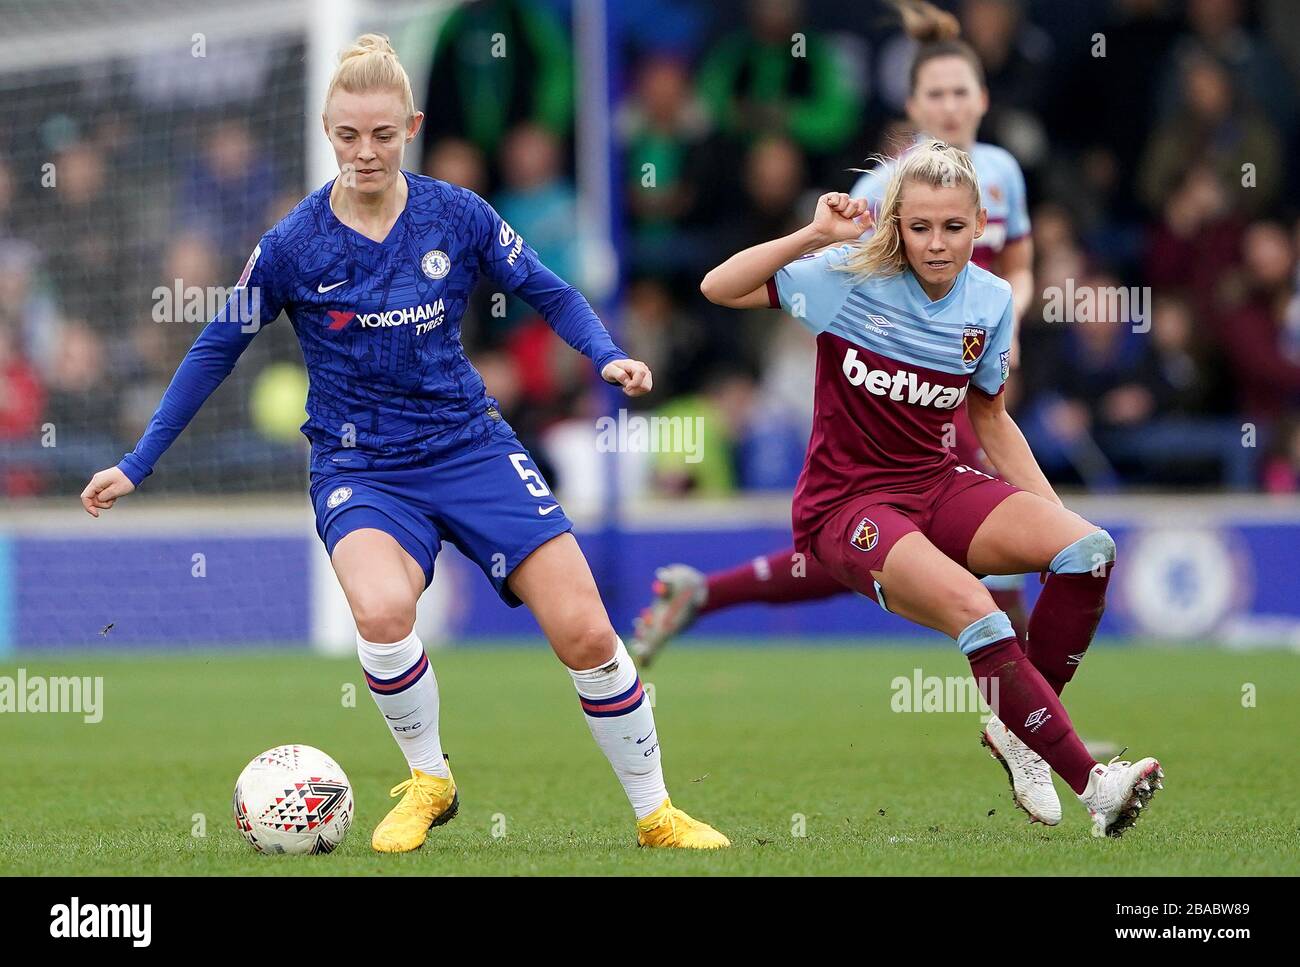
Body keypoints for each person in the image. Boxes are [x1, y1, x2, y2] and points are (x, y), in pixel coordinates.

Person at [80, 34, 728, 853]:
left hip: (470, 446)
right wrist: (138, 463)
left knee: (588, 633)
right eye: (349, 135)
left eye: (383, 135)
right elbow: (217, 345)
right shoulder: (293, 245)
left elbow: (549, 290)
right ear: (327, 129)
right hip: (361, 466)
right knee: (383, 610)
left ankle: (656, 814)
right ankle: (430, 777)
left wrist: (606, 354)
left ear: (411, 126)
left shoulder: (456, 214)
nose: (365, 152)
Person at [633, 0, 1043, 811]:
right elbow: (845, 290)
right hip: (904, 391)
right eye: (937, 96)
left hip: (972, 374)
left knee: (887, 554)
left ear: (983, 99)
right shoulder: (888, 186)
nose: (952, 108)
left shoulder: (1003, 173)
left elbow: (1021, 260)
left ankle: (705, 591)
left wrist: (1014, 319)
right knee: (940, 559)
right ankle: (1029, 723)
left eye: (965, 93)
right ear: (914, 108)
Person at [698, 137, 1162, 838]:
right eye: (919, 227)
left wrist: (1053, 522)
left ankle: (1017, 731)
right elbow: (718, 286)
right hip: (847, 506)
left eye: (952, 226)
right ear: (896, 226)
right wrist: (816, 233)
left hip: (935, 483)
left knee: (1087, 550)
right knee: (980, 610)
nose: (936, 243)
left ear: (979, 223)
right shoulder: (845, 276)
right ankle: (1095, 786)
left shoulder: (992, 299)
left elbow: (992, 418)